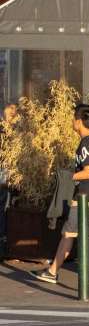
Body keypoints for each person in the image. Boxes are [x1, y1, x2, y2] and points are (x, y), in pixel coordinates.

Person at [33, 104, 89, 285]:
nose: (72, 121)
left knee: (68, 233)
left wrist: (68, 177)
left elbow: (88, 172)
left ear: (78, 121)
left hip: (84, 196)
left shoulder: (85, 144)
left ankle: (53, 272)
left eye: (73, 118)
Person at [0, 103, 16, 257]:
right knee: (3, 206)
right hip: (4, 171)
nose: (13, 113)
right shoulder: (5, 130)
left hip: (7, 171)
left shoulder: (13, 130)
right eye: (10, 110)